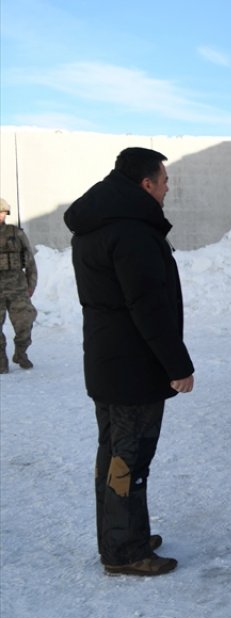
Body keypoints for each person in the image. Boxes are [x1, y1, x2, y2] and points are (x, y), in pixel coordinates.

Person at [64, 147, 195, 576]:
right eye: (163, 180)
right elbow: (148, 305)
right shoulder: (133, 231)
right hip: (133, 367)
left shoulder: (96, 225)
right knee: (128, 460)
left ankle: (124, 534)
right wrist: (177, 364)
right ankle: (124, 550)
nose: (167, 187)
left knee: (115, 454)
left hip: (109, 362)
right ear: (145, 184)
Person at [0, 197, 37, 372]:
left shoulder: (16, 233)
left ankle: (21, 352)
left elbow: (29, 260)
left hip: (17, 287)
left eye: (2, 212)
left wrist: (31, 284)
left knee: (25, 321)